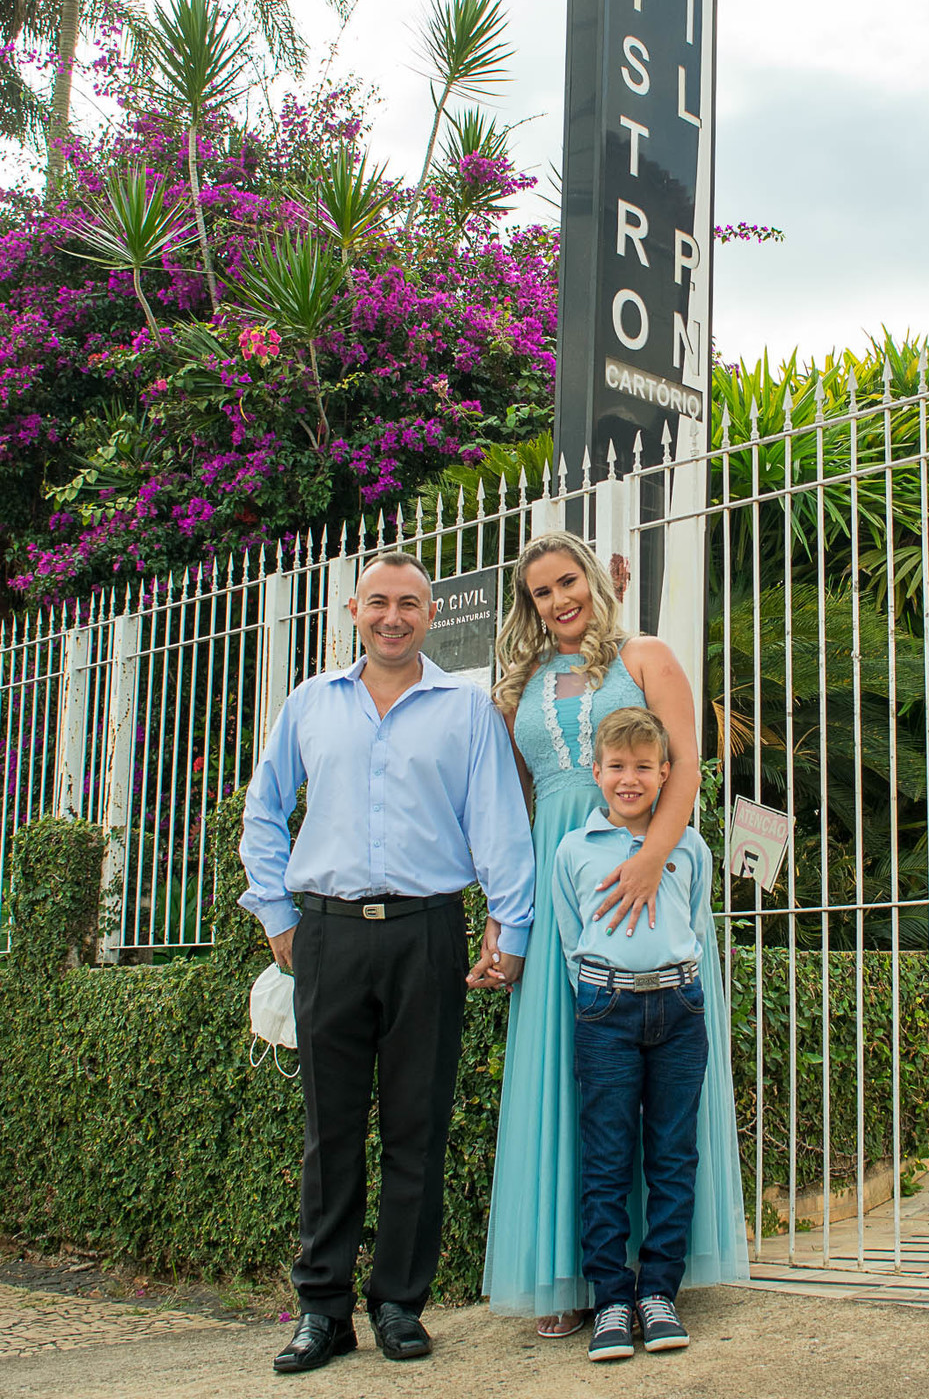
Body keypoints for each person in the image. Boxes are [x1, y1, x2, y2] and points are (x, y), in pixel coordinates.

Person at [239, 552, 535, 1375]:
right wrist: (275, 913)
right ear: (353, 610)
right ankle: (321, 1312)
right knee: (329, 1134)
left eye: (410, 604)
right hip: (325, 937)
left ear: (431, 616)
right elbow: (263, 811)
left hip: (426, 933)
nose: (393, 617)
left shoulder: (466, 709)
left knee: (417, 1128)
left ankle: (400, 1305)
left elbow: (499, 825)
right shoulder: (310, 703)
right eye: (379, 603)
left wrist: (509, 930)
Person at [477, 531, 747, 1333]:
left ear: (594, 579)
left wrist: (648, 862)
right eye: (540, 593)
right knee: (568, 1075)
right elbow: (515, 812)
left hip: (645, 874)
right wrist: (507, 914)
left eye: (568, 582)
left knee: (656, 1090)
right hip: (564, 880)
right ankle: (575, 1279)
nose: (558, 602)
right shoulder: (519, 682)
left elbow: (687, 766)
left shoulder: (647, 656)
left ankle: (656, 1277)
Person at [553, 706, 716, 1361]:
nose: (629, 779)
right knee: (607, 1158)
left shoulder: (690, 847)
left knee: (673, 1154)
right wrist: (596, 988)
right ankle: (613, 1300)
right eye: (617, 767)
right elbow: (570, 936)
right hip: (605, 1012)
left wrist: (679, 976)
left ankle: (659, 1293)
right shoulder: (575, 851)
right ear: (597, 772)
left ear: (665, 773)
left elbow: (697, 922)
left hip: (679, 1009)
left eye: (643, 767)